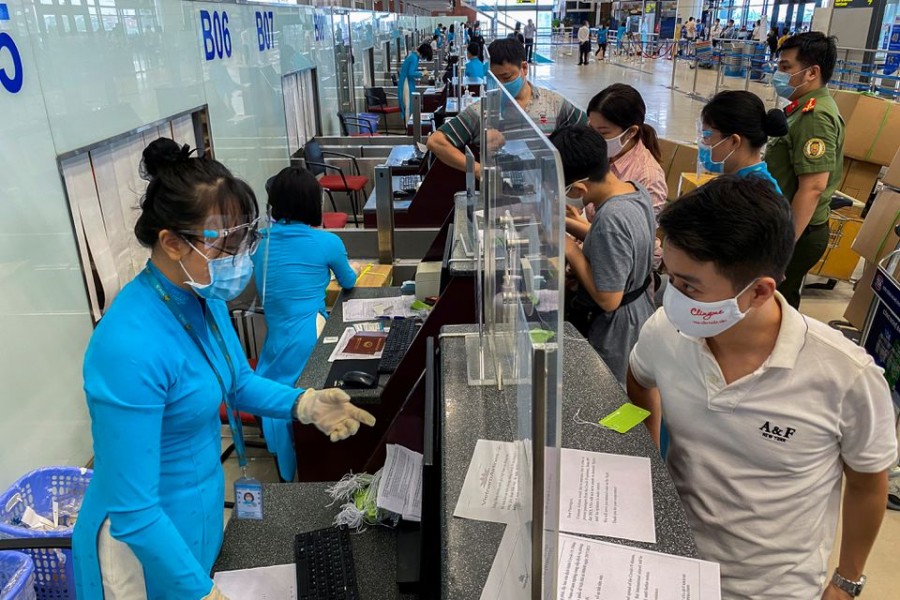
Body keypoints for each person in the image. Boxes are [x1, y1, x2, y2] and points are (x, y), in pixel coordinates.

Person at [72, 140, 375, 599]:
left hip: (200, 514)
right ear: (171, 242)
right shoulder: (126, 345)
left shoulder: (202, 297)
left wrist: (303, 403)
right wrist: (200, 591)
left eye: (244, 236)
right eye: (224, 242)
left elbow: (237, 382)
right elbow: (133, 510)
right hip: (143, 551)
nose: (239, 255)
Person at [627, 174, 896, 599]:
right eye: (670, 277)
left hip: (771, 588)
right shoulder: (665, 332)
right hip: (670, 562)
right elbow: (641, 383)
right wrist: (644, 462)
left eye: (689, 286)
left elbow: (867, 483)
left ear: (759, 291)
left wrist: (846, 581)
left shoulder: (845, 377)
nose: (670, 296)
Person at [251, 166, 358, 482]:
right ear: (314, 202)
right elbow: (349, 281)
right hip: (312, 335)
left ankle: (292, 466)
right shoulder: (327, 242)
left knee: (279, 393)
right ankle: (316, 464)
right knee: (313, 399)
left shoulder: (258, 244)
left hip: (276, 340)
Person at [552, 126, 655, 385]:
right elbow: (612, 243)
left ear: (577, 190)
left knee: (610, 392)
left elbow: (609, 298)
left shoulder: (612, 217)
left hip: (617, 328)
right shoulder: (633, 190)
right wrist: (562, 223)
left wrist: (569, 248)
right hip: (641, 309)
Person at [427, 38, 587, 176]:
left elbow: (589, 131)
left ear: (524, 68)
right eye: (495, 79)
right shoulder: (482, 110)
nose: (501, 85)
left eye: (506, 77)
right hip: (501, 200)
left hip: (545, 199)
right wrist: (477, 169)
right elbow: (436, 142)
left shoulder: (554, 102)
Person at [765, 32, 844, 309]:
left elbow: (812, 188)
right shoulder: (800, 109)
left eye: (786, 68)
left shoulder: (816, 116)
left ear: (812, 72)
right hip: (786, 223)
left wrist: (783, 250)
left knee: (773, 305)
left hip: (798, 230)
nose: (779, 74)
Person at [698, 90, 787, 193]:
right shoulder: (741, 181)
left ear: (734, 141)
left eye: (706, 137)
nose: (702, 144)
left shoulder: (754, 193)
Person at [398, 42, 434, 122]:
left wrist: (420, 71)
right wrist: (422, 73)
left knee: (410, 104)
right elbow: (410, 73)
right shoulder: (414, 58)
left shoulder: (414, 56)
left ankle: (410, 125)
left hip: (408, 82)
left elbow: (412, 70)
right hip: (406, 83)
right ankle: (408, 126)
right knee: (408, 105)